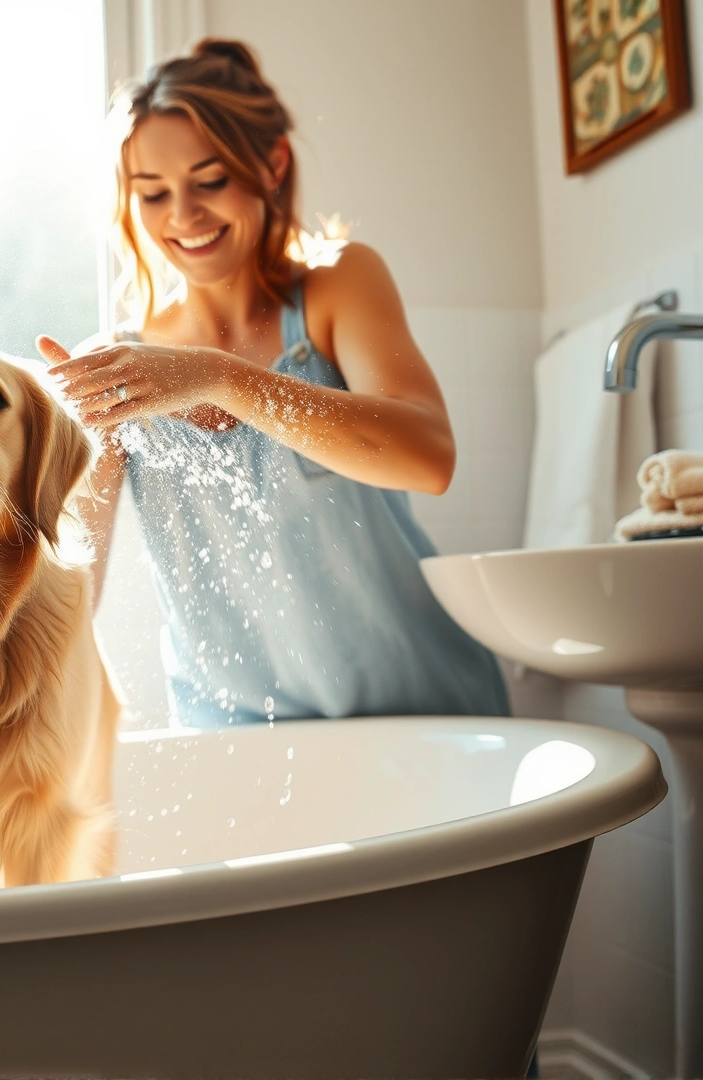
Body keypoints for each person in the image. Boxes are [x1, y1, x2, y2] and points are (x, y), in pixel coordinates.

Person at [37, 37, 508, 727]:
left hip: (422, 715)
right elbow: (70, 585)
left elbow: (429, 458)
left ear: (272, 162)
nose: (183, 215)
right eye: (152, 193)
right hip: (239, 747)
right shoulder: (120, 369)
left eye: (211, 179)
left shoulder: (336, 285)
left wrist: (218, 378)